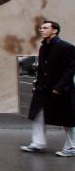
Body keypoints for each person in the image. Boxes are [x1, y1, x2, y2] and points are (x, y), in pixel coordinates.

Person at [20, 20, 75, 157]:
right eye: (41, 28)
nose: (41, 30)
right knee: (38, 114)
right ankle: (38, 144)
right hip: (43, 88)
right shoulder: (44, 47)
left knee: (66, 119)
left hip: (61, 89)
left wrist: (60, 87)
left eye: (45, 28)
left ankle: (72, 146)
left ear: (55, 30)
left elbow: (70, 69)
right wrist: (37, 85)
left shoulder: (65, 47)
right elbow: (43, 68)